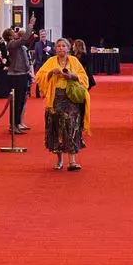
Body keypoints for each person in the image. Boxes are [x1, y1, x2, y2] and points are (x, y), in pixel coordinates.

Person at [33, 38, 91, 171]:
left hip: (71, 98)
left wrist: (71, 76)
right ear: (55, 49)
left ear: (68, 48)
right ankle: (59, 160)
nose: (60, 48)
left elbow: (84, 77)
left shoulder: (74, 61)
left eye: (63, 46)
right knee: (56, 127)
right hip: (55, 99)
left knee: (72, 126)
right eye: (58, 46)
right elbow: (39, 76)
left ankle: (72, 161)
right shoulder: (51, 61)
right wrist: (51, 73)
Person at [3, 27, 35, 133]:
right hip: (16, 76)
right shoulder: (11, 44)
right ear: (10, 36)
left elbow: (25, 41)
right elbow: (24, 39)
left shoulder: (17, 44)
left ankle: (16, 124)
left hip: (22, 74)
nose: (16, 34)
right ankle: (14, 125)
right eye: (14, 33)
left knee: (20, 101)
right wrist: (30, 26)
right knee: (17, 102)